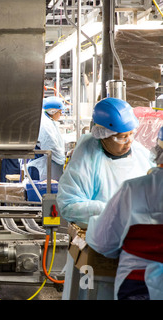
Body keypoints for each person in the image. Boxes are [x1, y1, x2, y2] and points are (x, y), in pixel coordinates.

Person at [57, 97, 154, 300]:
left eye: (131, 135)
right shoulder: (88, 157)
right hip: (100, 251)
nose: (128, 141)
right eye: (121, 137)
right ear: (103, 134)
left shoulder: (139, 153)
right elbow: (69, 205)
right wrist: (113, 210)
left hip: (136, 248)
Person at [85, 126, 163, 300]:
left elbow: (104, 242)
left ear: (158, 151)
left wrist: (92, 223)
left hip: (138, 284)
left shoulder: (133, 189)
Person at [27, 96, 67, 181]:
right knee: (40, 191)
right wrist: (63, 160)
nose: (61, 114)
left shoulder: (49, 121)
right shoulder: (45, 124)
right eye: (60, 112)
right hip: (42, 167)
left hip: (46, 165)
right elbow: (50, 146)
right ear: (53, 112)